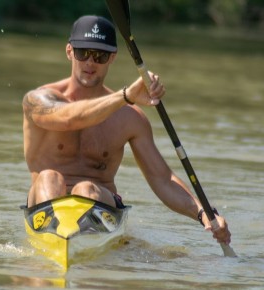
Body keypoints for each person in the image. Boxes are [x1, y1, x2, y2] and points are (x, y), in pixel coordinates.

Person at [22, 15, 231, 245]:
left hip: (99, 201)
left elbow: (162, 179)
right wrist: (125, 96)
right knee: (49, 177)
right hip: (46, 200)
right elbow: (70, 119)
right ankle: (54, 242)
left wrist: (204, 214)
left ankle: (81, 243)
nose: (90, 62)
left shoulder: (130, 118)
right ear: (70, 51)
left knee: (86, 189)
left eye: (100, 55)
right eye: (83, 53)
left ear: (112, 58)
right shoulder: (37, 100)